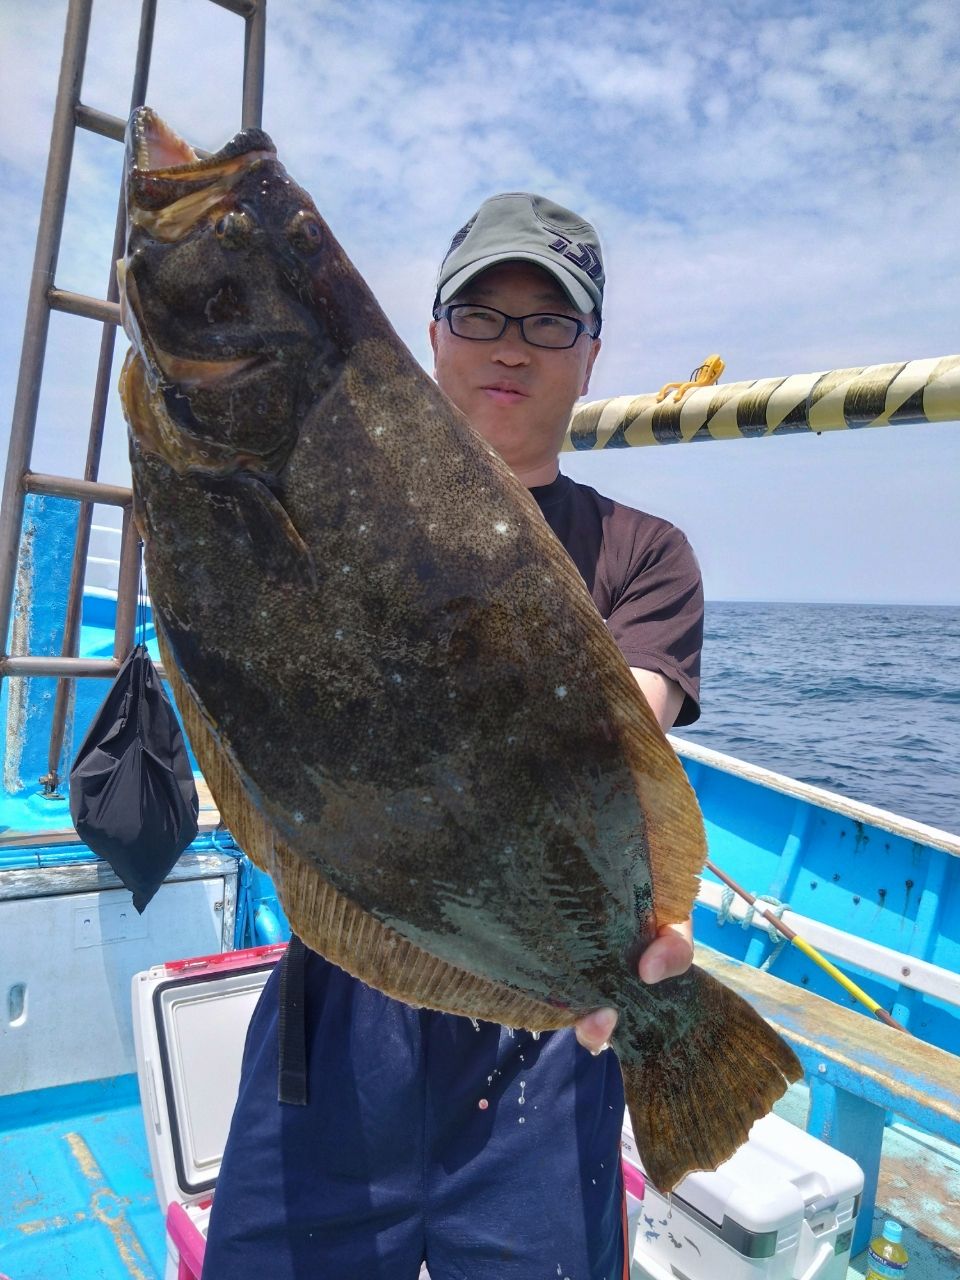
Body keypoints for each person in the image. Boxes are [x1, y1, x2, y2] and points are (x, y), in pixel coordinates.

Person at [202, 192, 704, 1280]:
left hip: (546, 1040)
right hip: (342, 1005)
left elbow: (616, 740)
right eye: (481, 314)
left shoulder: (644, 553)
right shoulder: (330, 498)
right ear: (428, 335)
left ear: (591, 352)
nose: (511, 346)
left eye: (548, 319)